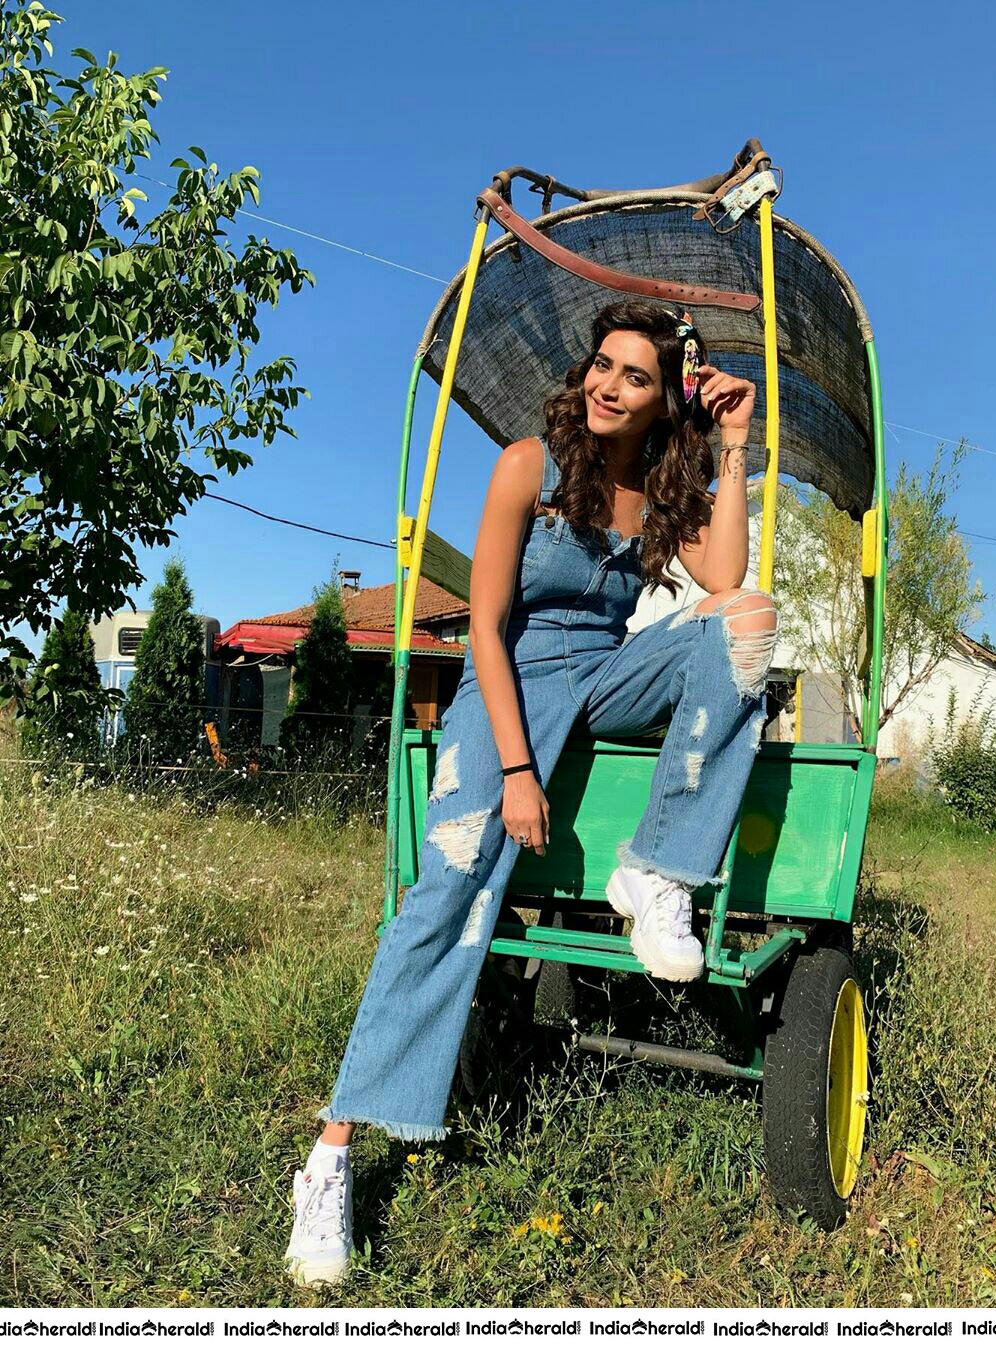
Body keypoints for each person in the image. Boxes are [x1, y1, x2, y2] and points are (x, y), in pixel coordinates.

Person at [284, 301, 778, 1285]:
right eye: (602, 365)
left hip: (604, 679)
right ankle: (331, 1155)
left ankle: (657, 869)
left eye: (635, 377)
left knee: (748, 619)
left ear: (661, 398)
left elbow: (723, 577)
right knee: (444, 898)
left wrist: (733, 445)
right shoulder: (528, 466)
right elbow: (485, 629)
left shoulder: (655, 494)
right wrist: (515, 767)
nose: (607, 384)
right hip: (508, 683)